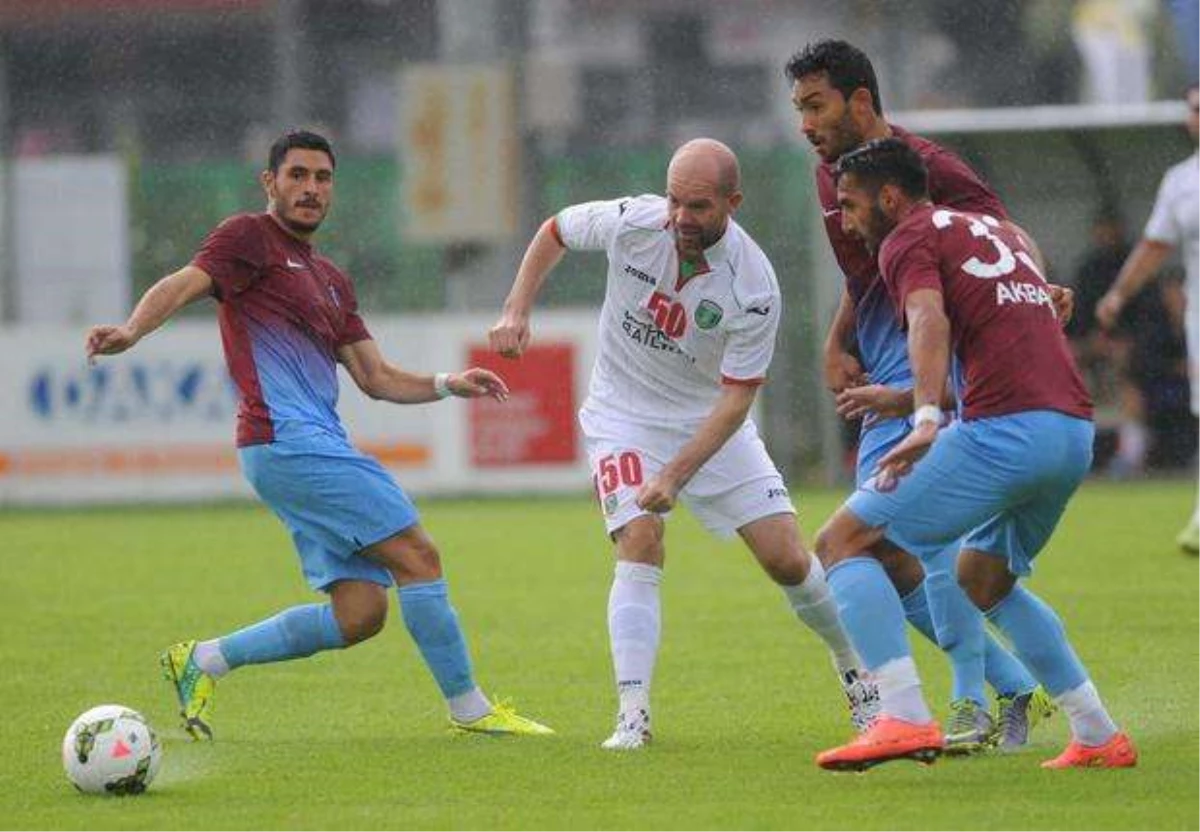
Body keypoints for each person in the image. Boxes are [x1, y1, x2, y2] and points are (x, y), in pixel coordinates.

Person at [84, 130, 552, 740]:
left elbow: (377, 378)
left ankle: (201, 660)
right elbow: (182, 282)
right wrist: (131, 331)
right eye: (297, 175)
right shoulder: (246, 238)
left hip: (299, 447)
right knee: (419, 556)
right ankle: (471, 709)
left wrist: (446, 382)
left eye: (322, 178)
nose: (310, 188)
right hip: (287, 440)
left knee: (360, 614)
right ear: (269, 182)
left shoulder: (330, 279)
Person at [488, 138, 876, 750]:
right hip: (621, 415)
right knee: (639, 537)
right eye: (674, 200)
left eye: (697, 206)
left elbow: (735, 399)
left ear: (733, 201)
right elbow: (555, 230)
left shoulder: (753, 285)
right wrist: (516, 309)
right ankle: (632, 715)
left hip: (709, 422)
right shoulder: (634, 221)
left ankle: (859, 674)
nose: (680, 218)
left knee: (787, 558)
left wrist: (674, 474)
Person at [813, 137, 1135, 771]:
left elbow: (927, 321)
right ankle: (1098, 733)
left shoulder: (906, 238)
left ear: (889, 196)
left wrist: (927, 417)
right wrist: (908, 400)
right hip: (1069, 434)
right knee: (982, 578)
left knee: (842, 542)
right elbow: (1004, 359)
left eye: (849, 207)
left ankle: (902, 715)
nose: (846, 223)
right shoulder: (993, 230)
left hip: (1003, 434)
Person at [785, 39, 1056, 753]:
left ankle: (956, 702)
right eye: (799, 110)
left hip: (941, 373)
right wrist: (837, 339)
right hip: (879, 370)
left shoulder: (930, 168)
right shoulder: (832, 178)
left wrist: (1037, 290)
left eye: (816, 106)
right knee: (886, 552)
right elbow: (867, 274)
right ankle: (1011, 684)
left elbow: (1006, 236)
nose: (806, 124)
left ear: (862, 102)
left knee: (893, 541)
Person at [1097, 82, 1200, 552]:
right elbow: (1156, 245)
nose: (1196, 117)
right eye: (1193, 109)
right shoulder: (1181, 180)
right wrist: (1118, 293)